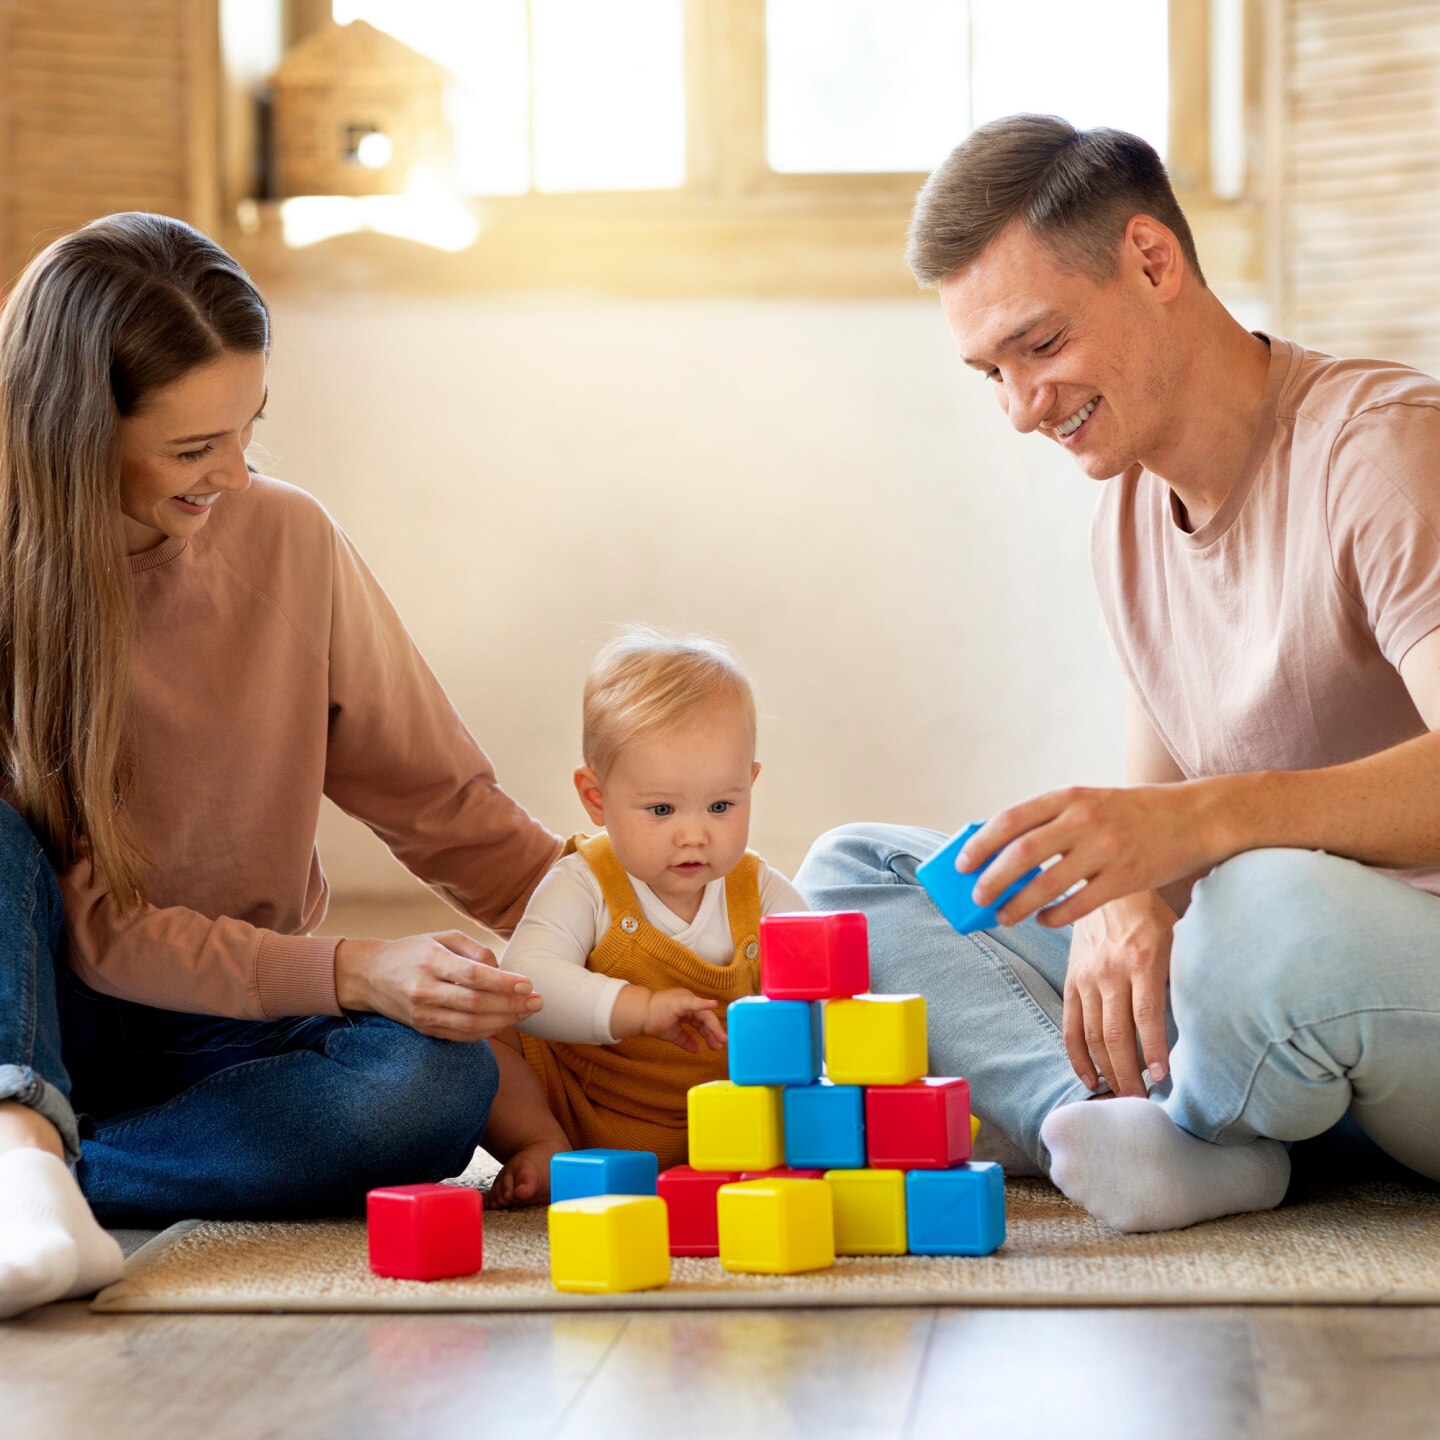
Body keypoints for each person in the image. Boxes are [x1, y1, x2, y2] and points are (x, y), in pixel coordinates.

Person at [796, 113, 1440, 1233]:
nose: (1019, 408)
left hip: (1367, 976)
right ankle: (1115, 1131)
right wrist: (1125, 888)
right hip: (1256, 992)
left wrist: (1201, 834)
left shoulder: (1383, 451)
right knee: (860, 875)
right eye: (990, 371)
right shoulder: (1130, 516)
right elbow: (1159, 829)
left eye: (1039, 347)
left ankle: (1196, 1119)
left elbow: (1197, 832)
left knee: (1265, 897)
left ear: (1153, 260)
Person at [0, 212, 564, 1320]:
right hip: (33, 1018)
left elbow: (442, 803)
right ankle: (24, 1142)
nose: (235, 473)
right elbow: (100, 936)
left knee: (438, 1084)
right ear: (77, 434)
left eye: (248, 428)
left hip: (223, 1027)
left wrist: (638, 925)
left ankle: (50, 1176)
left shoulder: (288, 540)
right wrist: (355, 966)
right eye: (195, 448)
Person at [481, 626, 806, 1204]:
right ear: (596, 797)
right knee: (481, 1020)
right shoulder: (586, 882)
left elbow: (826, 989)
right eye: (660, 808)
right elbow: (530, 983)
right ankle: (539, 1141)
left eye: (722, 806)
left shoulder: (762, 894)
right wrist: (641, 1008)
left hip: (729, 1121)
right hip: (582, 1105)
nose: (694, 833)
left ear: (750, 784)